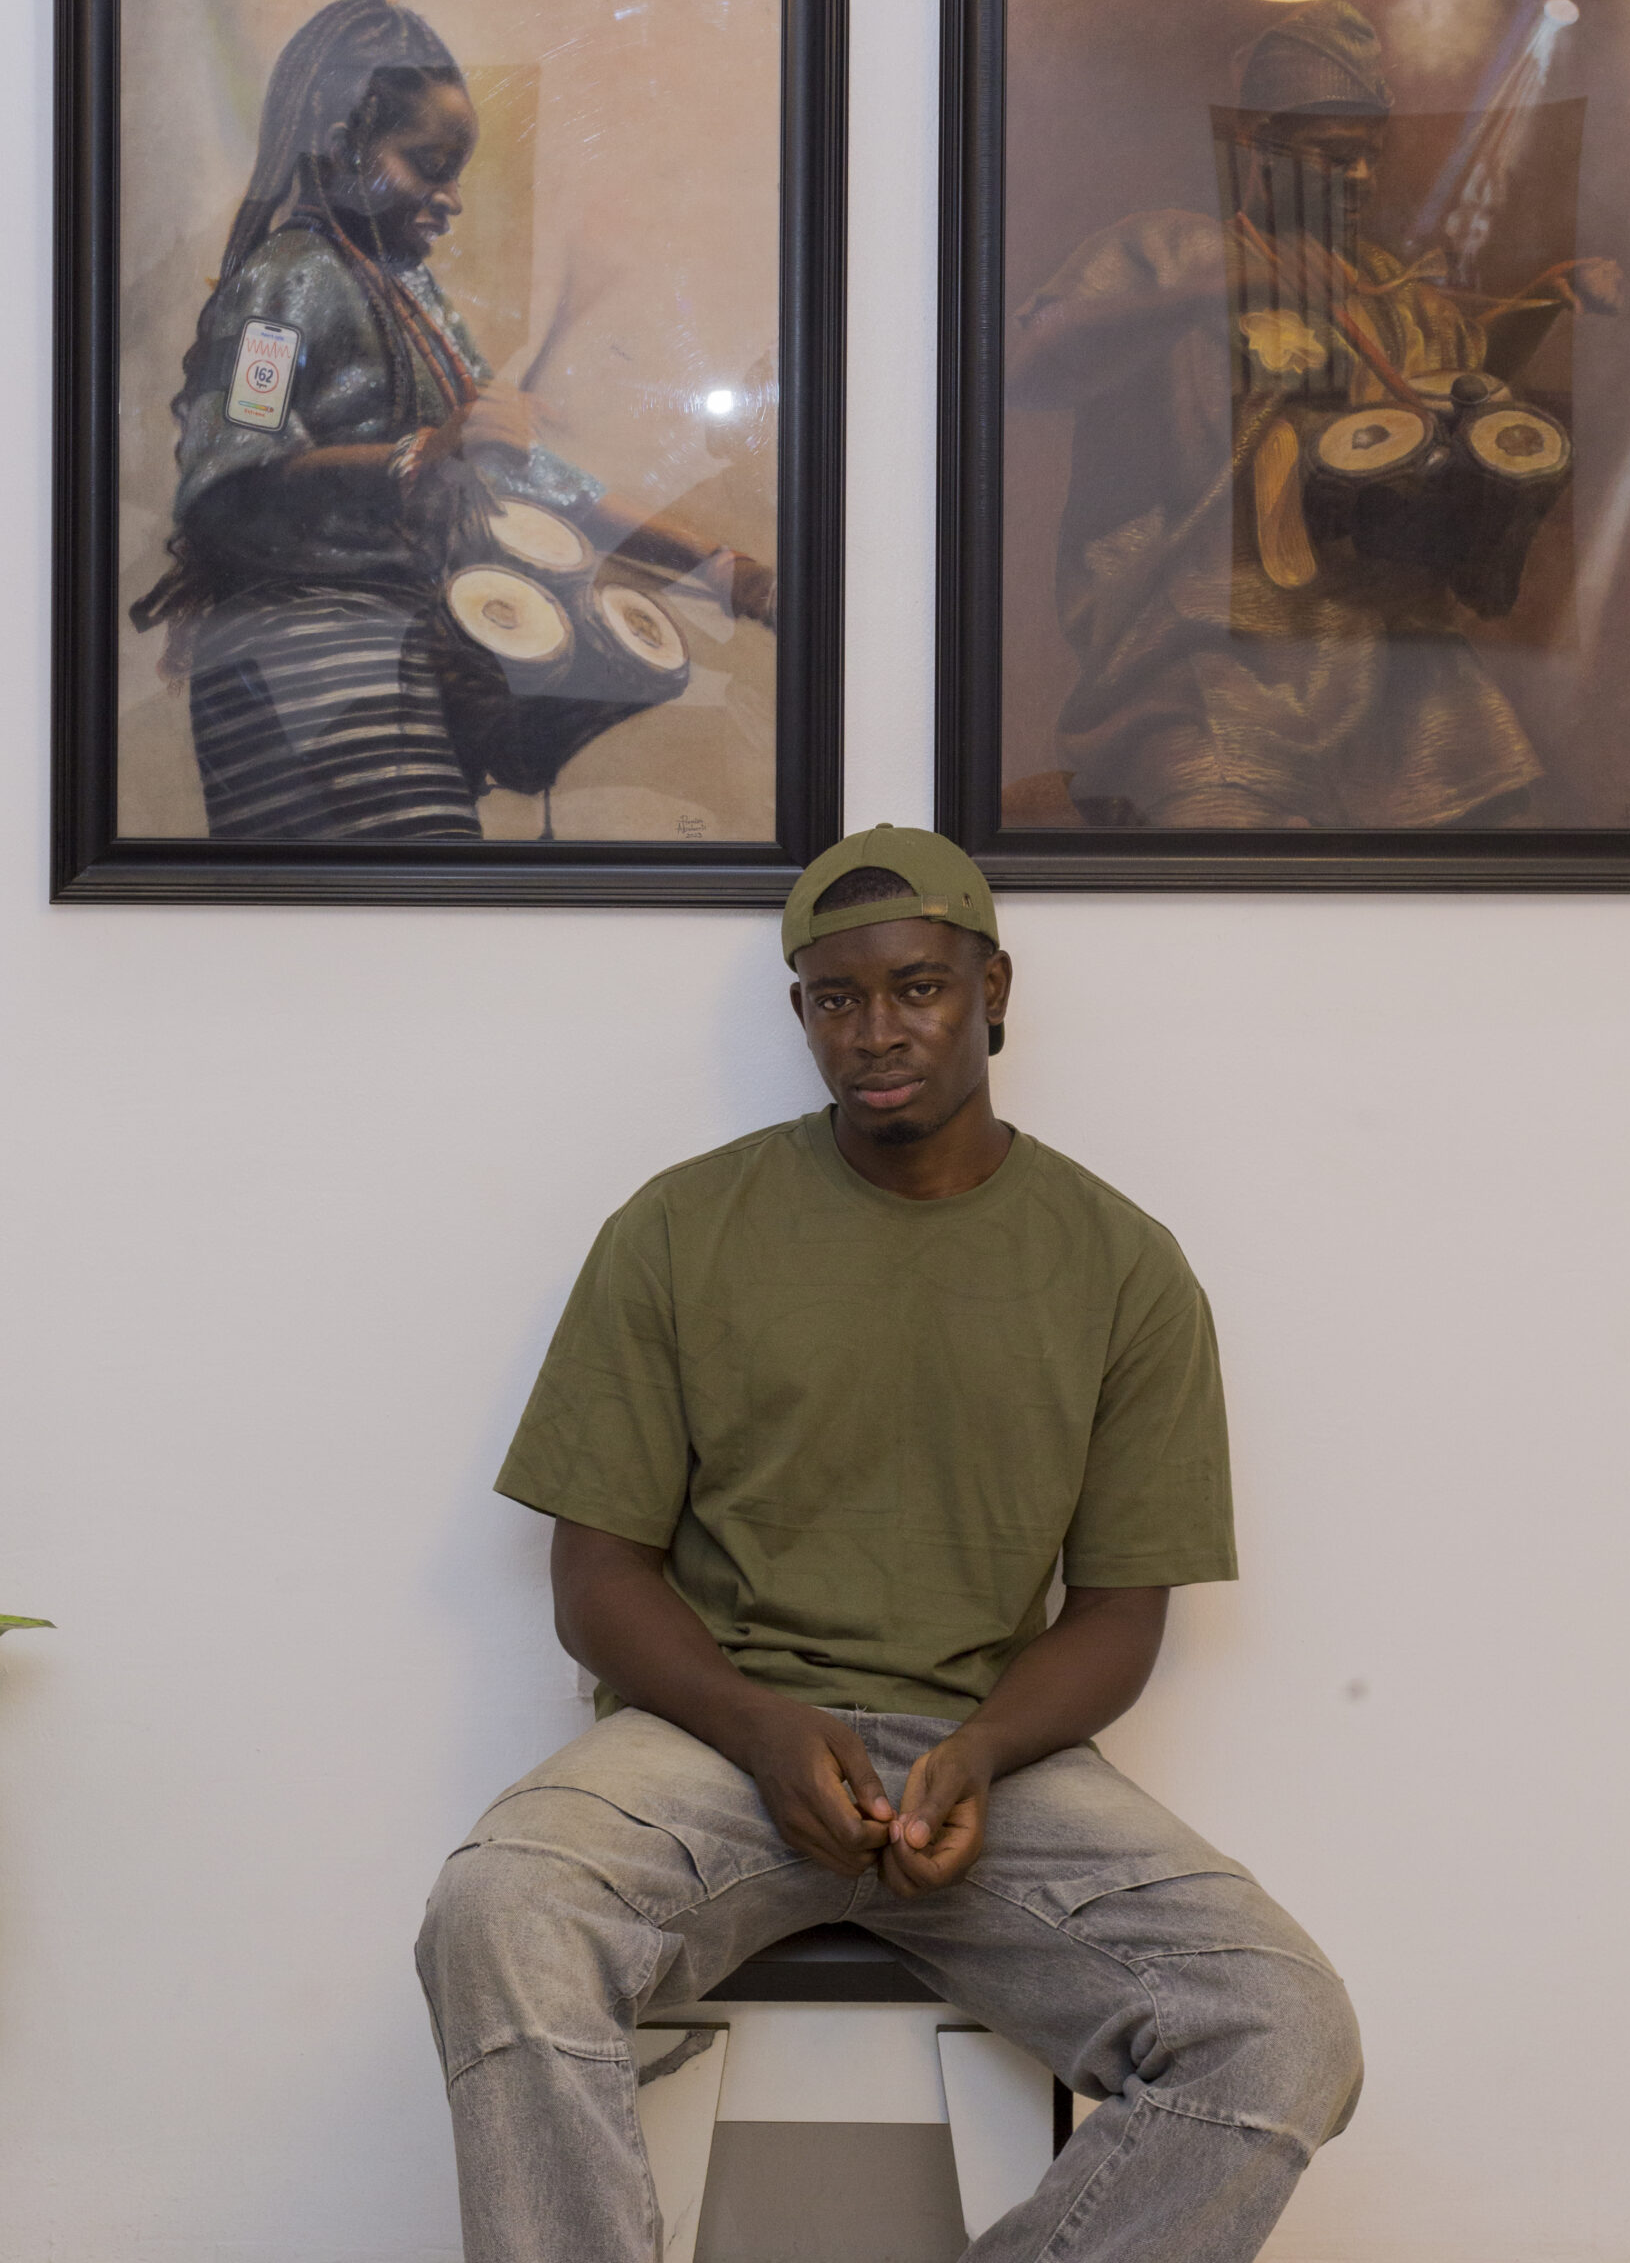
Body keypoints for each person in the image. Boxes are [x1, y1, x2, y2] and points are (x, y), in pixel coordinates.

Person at [417, 823, 1363, 2263]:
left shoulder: (1119, 1262)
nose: (875, 1031)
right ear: (799, 1012)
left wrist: (980, 1752)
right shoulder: (678, 1228)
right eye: (835, 998)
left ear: (993, 989)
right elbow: (595, 1578)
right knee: (501, 1908)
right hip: (712, 1741)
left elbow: (1119, 1612)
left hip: (986, 1761)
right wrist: (758, 1726)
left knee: (1281, 2027)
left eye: (916, 987)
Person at [133, 0, 774, 841]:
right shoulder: (285, 283)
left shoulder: (413, 296)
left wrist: (718, 567)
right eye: (428, 165)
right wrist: (425, 454)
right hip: (300, 662)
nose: (451, 197)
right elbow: (231, 477)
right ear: (341, 145)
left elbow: (530, 477)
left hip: (388, 660)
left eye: (455, 172)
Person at [1007, 0, 1622, 832]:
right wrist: (1215, 289)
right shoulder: (1170, 249)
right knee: (1229, 847)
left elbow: (1454, 389)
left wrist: (1545, 299)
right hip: (1210, 663)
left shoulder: (1377, 282)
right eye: (1333, 157)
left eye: (1370, 155)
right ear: (1258, 142)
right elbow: (1027, 371)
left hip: (1387, 665)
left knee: (1510, 836)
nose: (1360, 178)